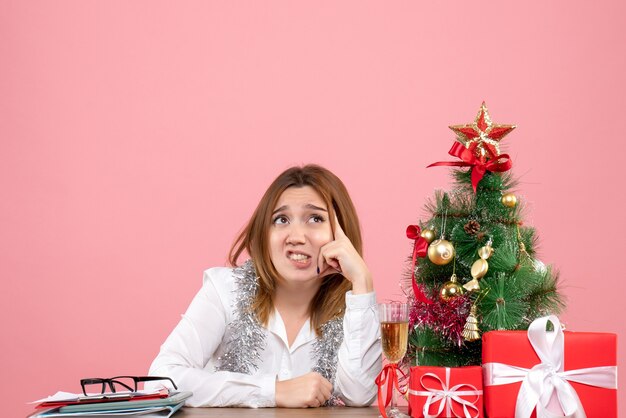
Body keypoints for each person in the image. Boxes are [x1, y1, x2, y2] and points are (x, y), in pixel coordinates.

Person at [147, 164, 381, 408]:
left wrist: (363, 283)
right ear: (263, 234)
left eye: (315, 218)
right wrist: (273, 390)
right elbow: (160, 381)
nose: (297, 236)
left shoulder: (355, 311)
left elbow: (360, 395)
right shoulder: (226, 290)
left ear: (341, 234)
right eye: (281, 219)